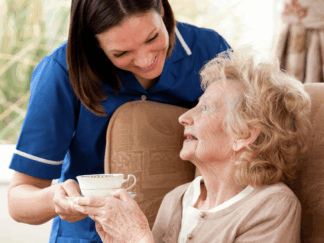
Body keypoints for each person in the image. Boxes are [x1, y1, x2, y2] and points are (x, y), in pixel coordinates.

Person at [7, 0, 231, 242]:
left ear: (162, 9)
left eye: (152, 37)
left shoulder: (210, 51)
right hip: (91, 235)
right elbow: (18, 201)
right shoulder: (62, 72)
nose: (145, 61)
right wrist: (58, 198)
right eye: (121, 53)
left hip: (189, 233)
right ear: (93, 43)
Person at [71, 49, 312, 243]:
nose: (184, 118)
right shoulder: (177, 198)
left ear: (244, 134)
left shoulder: (272, 206)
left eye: (205, 108)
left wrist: (137, 238)